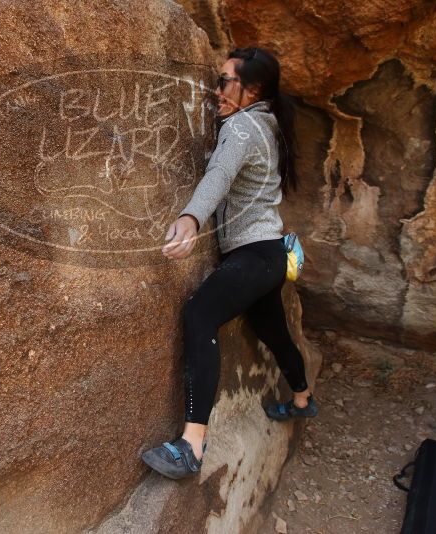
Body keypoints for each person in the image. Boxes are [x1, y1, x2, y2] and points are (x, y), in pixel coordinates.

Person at [141, 47, 317, 480]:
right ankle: (302, 399)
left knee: (200, 313)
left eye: (223, 81)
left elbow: (218, 175)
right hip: (269, 255)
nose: (215, 90)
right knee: (274, 331)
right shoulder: (269, 124)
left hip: (254, 255)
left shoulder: (242, 127)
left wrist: (189, 216)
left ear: (251, 89)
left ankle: (191, 447)